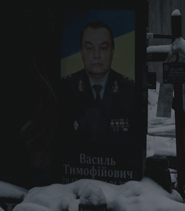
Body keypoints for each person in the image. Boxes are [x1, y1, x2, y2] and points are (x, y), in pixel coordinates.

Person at [59, 20, 144, 170]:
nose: (97, 55)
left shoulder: (129, 91)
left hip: (119, 172)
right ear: (81, 53)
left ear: (112, 52)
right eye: (90, 48)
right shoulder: (65, 89)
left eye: (103, 48)